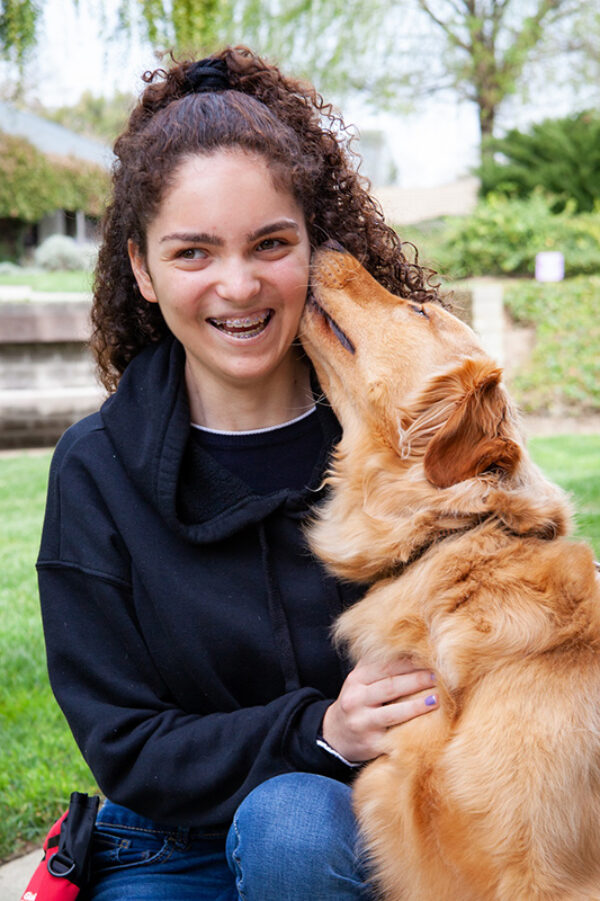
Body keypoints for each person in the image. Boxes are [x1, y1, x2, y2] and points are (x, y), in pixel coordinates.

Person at [37, 46, 442, 901]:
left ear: (314, 252)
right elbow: (128, 744)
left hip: (371, 830)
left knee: (294, 821)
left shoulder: (403, 435)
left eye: (271, 243)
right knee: (286, 810)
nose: (238, 283)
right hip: (165, 846)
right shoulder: (94, 469)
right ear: (142, 270)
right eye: (193, 253)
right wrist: (323, 726)